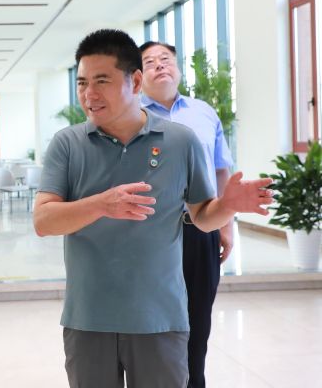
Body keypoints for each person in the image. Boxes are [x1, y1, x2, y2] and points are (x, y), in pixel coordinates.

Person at [33, 29, 273, 388]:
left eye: (102, 81)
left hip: (160, 317)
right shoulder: (67, 144)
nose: (89, 94)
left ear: (134, 81)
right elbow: (43, 220)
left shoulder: (180, 141)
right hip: (89, 318)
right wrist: (102, 204)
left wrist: (228, 206)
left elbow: (202, 216)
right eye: (82, 83)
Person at [140, 40, 233, 388]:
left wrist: (226, 225)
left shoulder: (203, 112)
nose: (159, 65)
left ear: (178, 68)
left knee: (198, 321)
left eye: (165, 59)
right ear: (137, 76)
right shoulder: (131, 117)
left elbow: (221, 170)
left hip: (200, 227)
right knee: (153, 322)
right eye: (150, 62)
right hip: (149, 234)